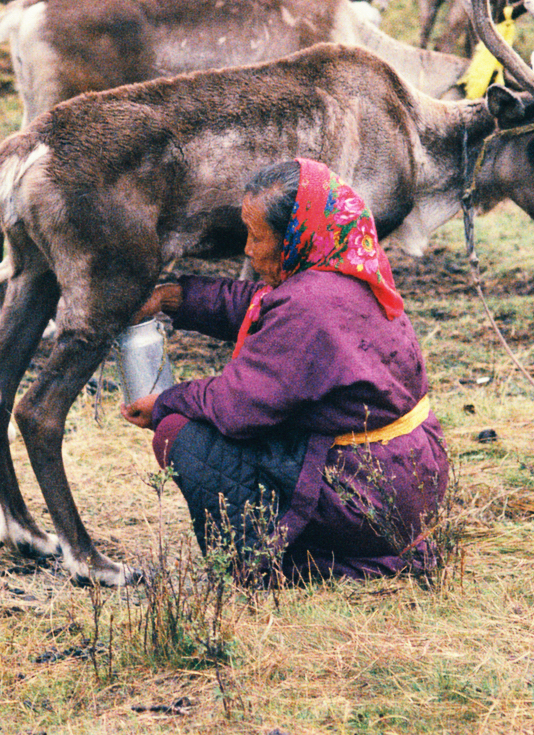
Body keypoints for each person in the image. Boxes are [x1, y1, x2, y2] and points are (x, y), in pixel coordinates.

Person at [121, 157, 449, 583]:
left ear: (296, 236)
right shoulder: (347, 265)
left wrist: (166, 403)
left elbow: (235, 407)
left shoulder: (310, 305)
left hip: (369, 495)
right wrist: (174, 297)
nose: (248, 249)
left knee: (182, 433)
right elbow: (258, 304)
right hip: (413, 474)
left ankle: (280, 559)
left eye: (258, 237)